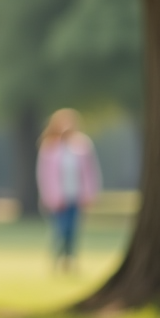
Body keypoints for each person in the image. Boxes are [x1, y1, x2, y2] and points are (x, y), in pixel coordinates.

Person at [36, 108, 102, 272]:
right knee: (61, 230)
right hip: (59, 199)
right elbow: (44, 176)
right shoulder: (50, 147)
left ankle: (70, 262)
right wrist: (49, 197)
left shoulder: (82, 146)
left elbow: (90, 172)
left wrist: (90, 194)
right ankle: (57, 260)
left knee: (73, 231)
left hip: (76, 196)